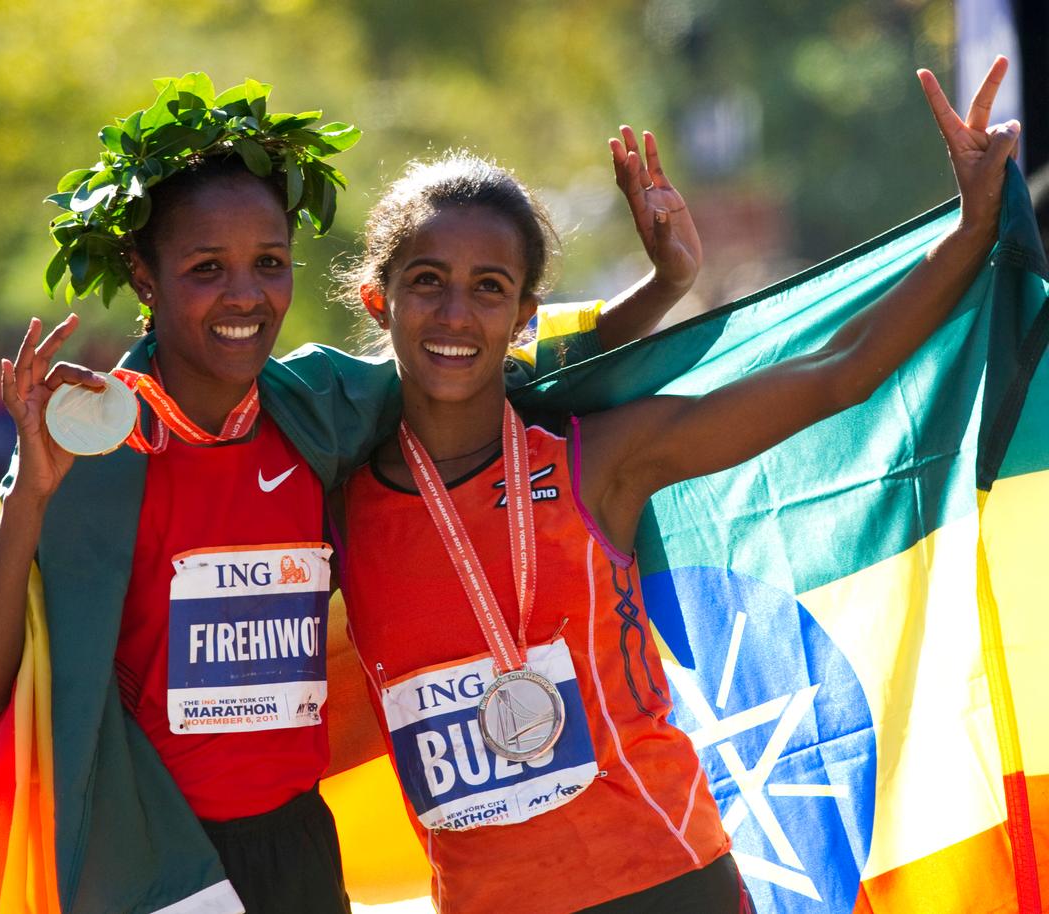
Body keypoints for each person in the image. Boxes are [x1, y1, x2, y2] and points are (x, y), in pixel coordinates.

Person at [0, 74, 703, 914]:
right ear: (144, 275)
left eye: (269, 264)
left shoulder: (321, 408)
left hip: (296, 851)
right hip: (147, 857)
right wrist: (32, 496)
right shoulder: (89, 445)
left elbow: (486, 366)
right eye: (206, 268)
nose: (245, 296)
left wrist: (663, 286)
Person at [333, 58, 1018, 914]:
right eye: (426, 283)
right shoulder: (337, 497)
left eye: (490, 290)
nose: (455, 316)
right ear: (376, 300)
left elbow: (837, 374)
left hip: (665, 883)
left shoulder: (599, 460)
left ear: (524, 320)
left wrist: (973, 221)